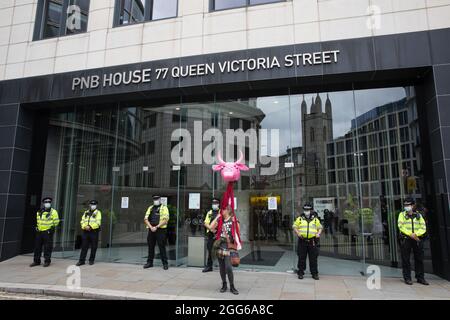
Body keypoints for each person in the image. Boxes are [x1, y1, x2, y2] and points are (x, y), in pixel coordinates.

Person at [210, 204, 241, 295]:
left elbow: (238, 231)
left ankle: (232, 286)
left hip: (229, 247)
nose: (221, 211)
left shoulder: (233, 220)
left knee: (228, 267)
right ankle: (224, 284)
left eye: (223, 210)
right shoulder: (220, 221)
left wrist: (236, 222)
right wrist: (217, 217)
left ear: (228, 210)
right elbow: (211, 227)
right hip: (220, 246)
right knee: (222, 268)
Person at [398, 198, 429, 285]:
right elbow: (401, 226)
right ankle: (407, 278)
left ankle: (420, 278)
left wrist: (416, 234)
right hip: (406, 239)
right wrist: (410, 234)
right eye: (405, 205)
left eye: (408, 205)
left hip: (417, 239)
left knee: (419, 259)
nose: (406, 207)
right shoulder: (402, 215)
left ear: (413, 205)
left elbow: (423, 227)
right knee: (406, 259)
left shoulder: (419, 215)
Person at [293, 203, 323, 280]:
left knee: (313, 258)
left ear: (311, 210)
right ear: (303, 210)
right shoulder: (300, 218)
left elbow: (320, 227)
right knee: (301, 257)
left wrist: (318, 233)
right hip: (302, 240)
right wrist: (298, 233)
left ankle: (314, 273)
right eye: (305, 210)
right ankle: (300, 272)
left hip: (312, 241)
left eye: (308, 210)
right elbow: (294, 226)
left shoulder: (315, 219)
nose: (307, 211)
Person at [30, 197, 60, 267]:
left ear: (50, 203)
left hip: (47, 232)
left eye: (49, 202)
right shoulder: (39, 211)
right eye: (46, 202)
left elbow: (56, 222)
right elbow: (38, 221)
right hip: (39, 232)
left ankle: (47, 261)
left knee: (47, 247)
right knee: (37, 247)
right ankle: (36, 261)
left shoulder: (53, 211)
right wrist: (37, 227)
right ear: (43, 203)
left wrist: (51, 229)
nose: (47, 203)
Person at [143, 195, 170, 270]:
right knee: (150, 246)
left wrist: (157, 227)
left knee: (162, 247)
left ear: (160, 200)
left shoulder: (164, 208)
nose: (156, 200)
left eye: (157, 199)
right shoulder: (150, 208)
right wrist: (151, 227)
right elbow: (145, 219)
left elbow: (165, 220)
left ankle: (165, 263)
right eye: (154, 199)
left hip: (160, 230)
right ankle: (149, 262)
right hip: (151, 230)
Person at [76, 200, 102, 266]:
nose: (93, 206)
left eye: (94, 204)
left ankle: (91, 260)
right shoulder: (86, 212)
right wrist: (84, 227)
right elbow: (82, 221)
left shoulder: (98, 213)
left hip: (94, 231)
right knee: (84, 246)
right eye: (92, 204)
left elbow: (98, 223)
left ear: (96, 205)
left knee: (94, 247)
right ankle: (81, 261)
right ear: (89, 205)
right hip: (85, 231)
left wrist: (90, 227)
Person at [202, 198, 220, 272]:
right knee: (210, 250)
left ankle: (223, 266)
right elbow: (205, 222)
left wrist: (214, 229)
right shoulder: (209, 212)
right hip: (210, 233)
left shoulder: (221, 212)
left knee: (220, 250)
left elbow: (220, 222)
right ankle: (209, 266)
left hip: (218, 234)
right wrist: (211, 229)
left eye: (216, 203)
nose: (214, 204)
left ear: (219, 204)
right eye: (213, 203)